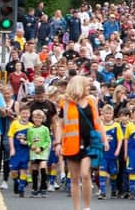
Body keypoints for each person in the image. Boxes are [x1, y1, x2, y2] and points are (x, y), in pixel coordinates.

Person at [55, 75, 109, 210]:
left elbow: (98, 122)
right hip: (71, 144)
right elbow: (60, 125)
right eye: (86, 86)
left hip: (90, 143)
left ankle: (86, 207)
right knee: (74, 178)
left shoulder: (92, 101)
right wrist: (58, 143)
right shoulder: (65, 104)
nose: (88, 88)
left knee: (85, 174)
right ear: (78, 87)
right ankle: (76, 208)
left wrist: (105, 139)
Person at [27, 109, 51, 197]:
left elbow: (47, 141)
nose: (37, 120)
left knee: (43, 167)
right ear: (32, 118)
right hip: (34, 152)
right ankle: (34, 188)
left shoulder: (45, 129)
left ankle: (43, 187)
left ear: (42, 119)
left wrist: (41, 148)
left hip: (43, 151)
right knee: (34, 169)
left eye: (40, 118)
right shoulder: (30, 129)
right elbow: (28, 140)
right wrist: (31, 146)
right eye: (36, 118)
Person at [8, 105, 31, 197]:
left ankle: (21, 189)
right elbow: (10, 136)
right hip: (16, 150)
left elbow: (33, 140)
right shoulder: (14, 124)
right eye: (23, 113)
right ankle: (16, 181)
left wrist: (26, 142)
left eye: (27, 113)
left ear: (29, 114)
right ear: (20, 114)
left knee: (23, 170)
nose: (25, 115)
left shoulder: (31, 126)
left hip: (25, 151)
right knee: (13, 171)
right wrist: (12, 148)